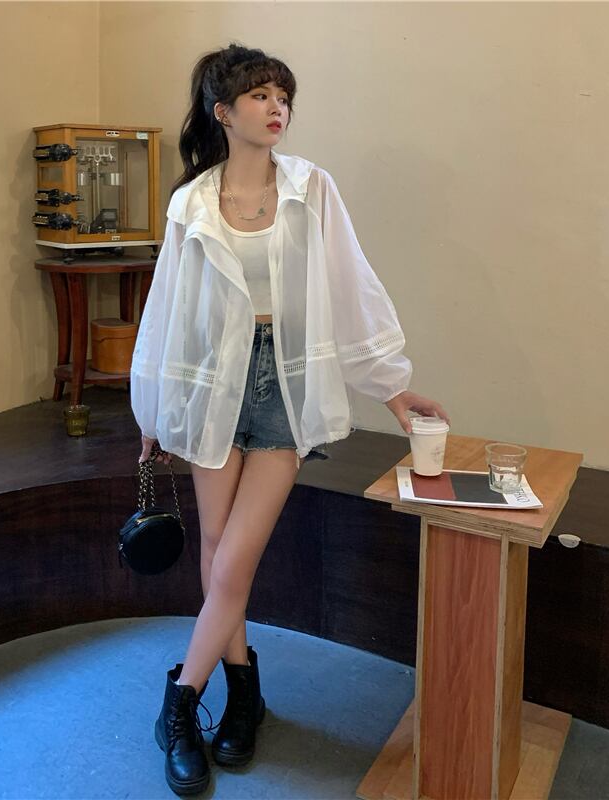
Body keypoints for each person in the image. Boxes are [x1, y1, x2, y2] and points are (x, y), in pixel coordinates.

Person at [131, 43, 450, 796]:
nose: (277, 107)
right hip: (212, 383)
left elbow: (350, 285)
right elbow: (169, 310)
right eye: (260, 95)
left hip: (282, 381)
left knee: (235, 560)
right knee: (217, 549)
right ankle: (244, 694)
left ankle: (180, 704)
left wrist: (393, 390)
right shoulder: (191, 203)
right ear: (222, 111)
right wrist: (153, 410)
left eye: (283, 96)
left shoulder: (311, 188)